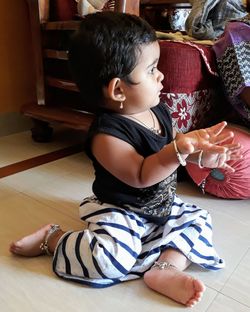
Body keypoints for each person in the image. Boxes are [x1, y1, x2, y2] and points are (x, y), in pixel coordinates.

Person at [9, 12, 242, 307]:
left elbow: (172, 154)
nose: (161, 76)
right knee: (107, 260)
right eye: (152, 69)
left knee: (199, 220)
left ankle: (164, 268)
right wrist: (179, 150)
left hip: (161, 205)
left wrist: (200, 156)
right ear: (118, 89)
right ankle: (54, 239)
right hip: (122, 210)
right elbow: (141, 174)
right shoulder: (106, 135)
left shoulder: (158, 111)